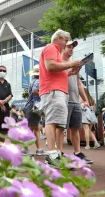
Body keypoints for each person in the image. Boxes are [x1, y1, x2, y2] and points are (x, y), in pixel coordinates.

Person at [39, 29, 82, 167]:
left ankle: (54, 154)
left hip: (57, 91)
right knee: (52, 122)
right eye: (65, 40)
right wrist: (71, 64)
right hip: (53, 91)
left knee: (56, 123)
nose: (65, 44)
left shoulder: (55, 51)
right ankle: (52, 154)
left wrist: (69, 73)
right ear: (58, 39)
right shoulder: (51, 48)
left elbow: (54, 70)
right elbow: (50, 66)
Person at [62, 40, 93, 163]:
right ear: (62, 48)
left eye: (72, 47)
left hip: (75, 101)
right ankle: (57, 153)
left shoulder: (73, 64)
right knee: (59, 129)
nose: (71, 49)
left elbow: (79, 83)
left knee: (75, 128)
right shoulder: (59, 64)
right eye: (68, 47)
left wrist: (85, 99)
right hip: (63, 100)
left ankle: (77, 152)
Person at [23, 64, 46, 156]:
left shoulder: (33, 80)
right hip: (34, 107)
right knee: (31, 128)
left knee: (36, 128)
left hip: (32, 107)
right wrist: (43, 96)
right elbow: (34, 91)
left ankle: (38, 149)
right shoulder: (38, 81)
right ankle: (25, 149)